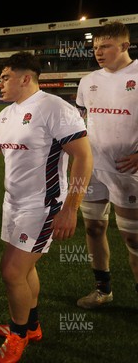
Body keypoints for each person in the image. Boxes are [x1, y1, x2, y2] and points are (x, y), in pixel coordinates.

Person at [0, 52, 93, 362]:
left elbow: (83, 156)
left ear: (26, 78)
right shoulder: (7, 114)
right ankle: (32, 326)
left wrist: (71, 207)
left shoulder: (55, 109)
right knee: (25, 270)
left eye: (5, 77)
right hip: (13, 204)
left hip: (43, 207)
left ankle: (18, 334)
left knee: (11, 271)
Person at [75, 21, 138, 309]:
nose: (98, 52)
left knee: (132, 239)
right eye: (95, 46)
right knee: (93, 229)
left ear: (125, 46)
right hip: (93, 168)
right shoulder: (88, 81)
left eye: (106, 46)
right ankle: (103, 290)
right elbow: (82, 122)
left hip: (128, 171)